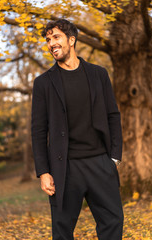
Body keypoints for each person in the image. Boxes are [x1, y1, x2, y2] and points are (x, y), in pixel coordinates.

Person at [31, 19, 123, 240]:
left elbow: (113, 115)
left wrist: (114, 159)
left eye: (56, 37)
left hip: (100, 163)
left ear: (71, 40)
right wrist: (44, 172)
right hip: (65, 169)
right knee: (62, 231)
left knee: (113, 222)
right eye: (48, 40)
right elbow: (38, 130)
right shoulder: (43, 83)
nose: (51, 43)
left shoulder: (98, 74)